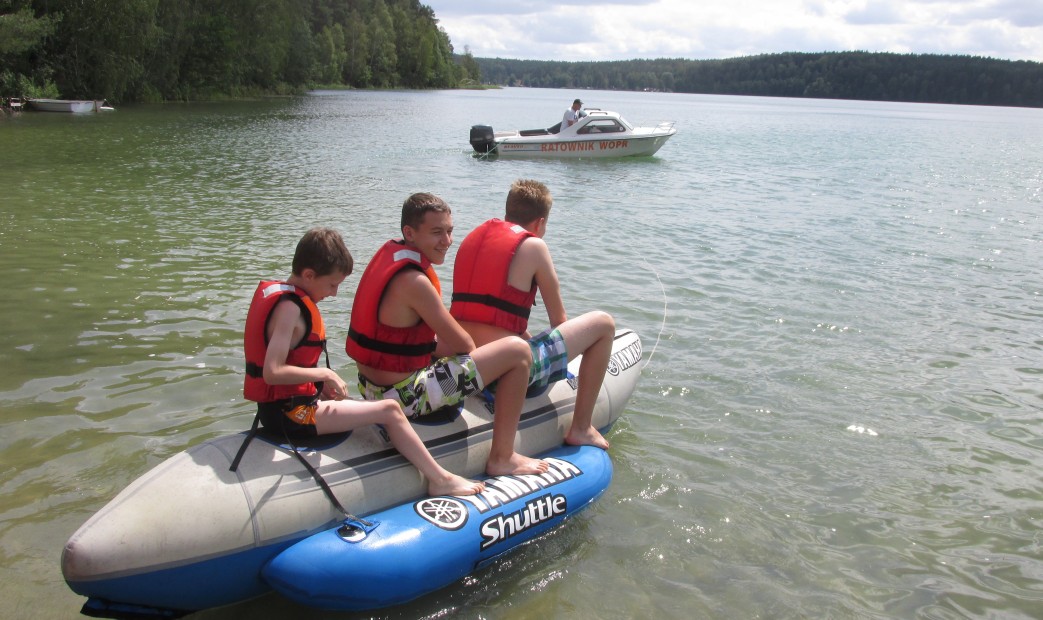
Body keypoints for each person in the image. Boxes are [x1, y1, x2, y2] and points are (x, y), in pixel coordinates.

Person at [244, 227, 483, 497]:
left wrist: (317, 385)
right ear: (309, 275)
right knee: (391, 410)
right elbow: (272, 372)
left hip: (282, 409)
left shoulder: (285, 296)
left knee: (368, 408)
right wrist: (325, 374)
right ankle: (440, 479)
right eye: (332, 284)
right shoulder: (289, 310)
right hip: (290, 416)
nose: (333, 294)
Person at [346, 194, 548, 476]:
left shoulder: (391, 259)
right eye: (437, 232)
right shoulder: (415, 282)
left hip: (370, 389)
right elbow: (465, 345)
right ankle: (503, 456)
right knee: (517, 351)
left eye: (450, 231)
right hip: (406, 397)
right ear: (410, 233)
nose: (447, 241)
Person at [450, 179, 615, 450]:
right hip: (506, 368)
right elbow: (559, 323)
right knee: (604, 324)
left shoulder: (474, 237)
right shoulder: (534, 246)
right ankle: (582, 427)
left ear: (507, 215)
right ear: (540, 223)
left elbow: (489, 315)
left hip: (468, 359)